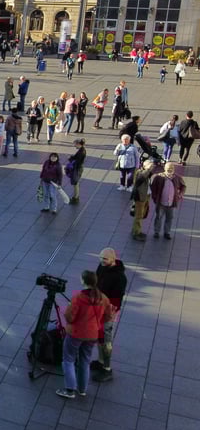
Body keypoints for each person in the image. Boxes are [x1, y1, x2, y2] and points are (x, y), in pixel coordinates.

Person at [56, 271, 114, 399]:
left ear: (83, 281)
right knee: (85, 361)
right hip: (92, 335)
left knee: (68, 360)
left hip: (75, 334)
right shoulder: (103, 298)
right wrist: (97, 323)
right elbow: (109, 316)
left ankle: (70, 390)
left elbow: (70, 317)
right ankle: (82, 390)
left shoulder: (78, 298)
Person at [94, 248, 127, 382]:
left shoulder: (120, 277)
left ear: (113, 259)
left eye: (105, 258)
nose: (102, 260)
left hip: (109, 311)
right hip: (99, 307)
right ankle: (101, 361)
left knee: (106, 338)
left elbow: (116, 299)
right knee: (99, 336)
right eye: (100, 257)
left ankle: (107, 368)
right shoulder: (102, 267)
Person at [150, 162, 186, 240]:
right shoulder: (159, 177)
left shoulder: (177, 177)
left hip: (171, 203)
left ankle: (167, 232)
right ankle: (157, 232)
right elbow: (153, 188)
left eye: (171, 169)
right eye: (168, 169)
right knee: (159, 217)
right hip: (161, 202)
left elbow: (183, 186)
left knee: (169, 218)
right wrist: (155, 198)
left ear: (174, 169)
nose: (170, 171)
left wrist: (180, 194)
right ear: (165, 169)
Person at [131, 160, 156, 241]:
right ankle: (136, 233)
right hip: (140, 197)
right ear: (145, 166)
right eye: (150, 166)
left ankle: (137, 230)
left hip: (146, 195)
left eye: (152, 166)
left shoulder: (147, 173)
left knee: (142, 214)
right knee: (138, 215)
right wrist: (148, 170)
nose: (152, 168)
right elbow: (140, 178)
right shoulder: (140, 172)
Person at [68, 139, 86, 204]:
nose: (74, 145)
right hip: (78, 168)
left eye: (75, 144)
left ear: (78, 144)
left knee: (76, 183)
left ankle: (76, 197)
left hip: (78, 168)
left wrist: (71, 160)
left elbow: (78, 161)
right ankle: (76, 196)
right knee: (76, 183)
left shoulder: (81, 151)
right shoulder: (82, 150)